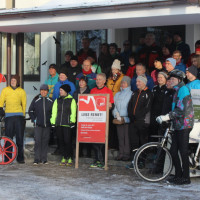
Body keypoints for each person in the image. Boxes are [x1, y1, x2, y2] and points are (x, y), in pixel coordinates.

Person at [156, 70, 194, 185]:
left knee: (183, 151)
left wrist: (167, 116)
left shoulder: (183, 89)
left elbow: (181, 109)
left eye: (173, 79)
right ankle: (178, 175)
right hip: (178, 124)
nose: (170, 81)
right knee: (173, 151)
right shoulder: (176, 90)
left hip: (184, 124)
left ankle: (186, 177)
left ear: (179, 80)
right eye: (170, 79)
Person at [127, 75, 153, 169]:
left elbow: (147, 108)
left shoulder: (148, 93)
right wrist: (131, 116)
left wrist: (138, 116)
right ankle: (134, 161)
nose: (137, 83)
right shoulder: (135, 93)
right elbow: (130, 105)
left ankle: (142, 161)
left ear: (144, 82)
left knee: (143, 142)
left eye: (139, 82)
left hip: (143, 122)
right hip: (133, 121)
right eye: (136, 81)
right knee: (134, 142)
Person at [0, 75, 26, 163]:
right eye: (11, 80)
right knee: (8, 137)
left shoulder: (21, 91)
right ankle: (8, 158)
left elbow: (24, 104)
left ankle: (20, 158)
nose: (13, 81)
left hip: (19, 116)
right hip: (9, 116)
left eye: (14, 80)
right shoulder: (5, 90)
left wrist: (23, 116)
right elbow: (1, 100)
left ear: (18, 81)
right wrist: (0, 109)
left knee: (19, 137)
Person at [90, 73, 114, 168]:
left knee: (103, 141)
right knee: (94, 141)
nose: (98, 81)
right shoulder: (92, 90)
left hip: (104, 120)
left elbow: (111, 105)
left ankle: (104, 161)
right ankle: (96, 160)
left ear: (104, 81)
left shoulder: (108, 91)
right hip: (94, 119)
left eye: (100, 79)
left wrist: (109, 105)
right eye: (97, 79)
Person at [51, 84, 77, 166]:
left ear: (66, 91)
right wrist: (53, 122)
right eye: (60, 90)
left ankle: (69, 157)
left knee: (67, 141)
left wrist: (72, 121)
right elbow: (54, 112)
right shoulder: (57, 100)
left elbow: (73, 112)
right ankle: (63, 157)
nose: (60, 91)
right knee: (60, 141)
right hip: (59, 124)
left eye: (61, 90)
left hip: (67, 124)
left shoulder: (71, 100)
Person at [28, 84, 53, 165]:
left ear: (47, 92)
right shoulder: (36, 99)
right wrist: (34, 120)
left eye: (45, 90)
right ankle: (36, 159)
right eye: (42, 90)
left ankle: (44, 159)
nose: (43, 92)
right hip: (38, 125)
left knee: (45, 142)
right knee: (38, 141)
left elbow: (54, 112)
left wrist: (51, 122)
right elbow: (30, 111)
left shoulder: (51, 100)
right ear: (40, 91)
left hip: (47, 125)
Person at [112, 76, 132, 161]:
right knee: (120, 136)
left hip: (127, 118)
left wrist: (125, 116)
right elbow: (115, 106)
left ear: (128, 84)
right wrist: (116, 114)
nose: (123, 84)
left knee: (127, 137)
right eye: (122, 83)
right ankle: (121, 153)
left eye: (125, 83)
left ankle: (127, 154)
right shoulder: (117, 94)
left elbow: (130, 106)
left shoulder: (131, 93)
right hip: (118, 118)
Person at [149, 71, 168, 138]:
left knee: (162, 134)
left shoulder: (168, 89)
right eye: (158, 77)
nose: (159, 79)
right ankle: (152, 147)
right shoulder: (154, 88)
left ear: (166, 78)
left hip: (163, 115)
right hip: (154, 114)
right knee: (153, 132)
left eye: (161, 77)